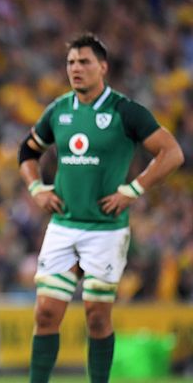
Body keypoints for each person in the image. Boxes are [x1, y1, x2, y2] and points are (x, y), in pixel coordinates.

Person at [19, 33, 184, 383]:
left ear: (103, 67)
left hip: (106, 229)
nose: (76, 69)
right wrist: (36, 188)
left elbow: (172, 153)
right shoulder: (59, 110)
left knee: (96, 315)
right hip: (63, 225)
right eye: (71, 63)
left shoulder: (126, 111)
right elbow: (28, 152)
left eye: (84, 62)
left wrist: (133, 188)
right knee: (46, 313)